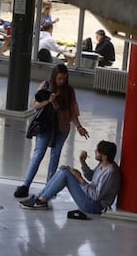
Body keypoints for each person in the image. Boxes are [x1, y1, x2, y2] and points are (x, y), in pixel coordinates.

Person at [14, 63, 90, 198]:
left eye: (64, 78)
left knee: (55, 156)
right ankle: (25, 185)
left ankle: (49, 187)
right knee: (38, 154)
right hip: (45, 126)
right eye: (59, 78)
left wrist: (79, 126)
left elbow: (72, 111)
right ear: (54, 77)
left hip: (62, 127)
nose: (62, 81)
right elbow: (36, 105)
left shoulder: (69, 91)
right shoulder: (45, 86)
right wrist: (49, 100)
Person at [19, 141, 121, 213]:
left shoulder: (110, 172)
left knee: (65, 174)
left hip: (94, 206)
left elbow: (96, 196)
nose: (95, 151)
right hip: (91, 198)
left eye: (98, 151)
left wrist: (80, 179)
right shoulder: (103, 163)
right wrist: (82, 162)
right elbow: (91, 177)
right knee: (64, 170)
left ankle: (41, 201)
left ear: (104, 156)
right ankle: (39, 197)